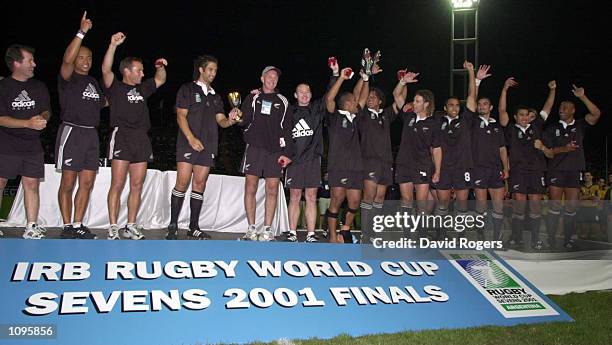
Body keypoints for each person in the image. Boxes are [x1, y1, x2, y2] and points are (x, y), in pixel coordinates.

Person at [165, 55, 239, 240]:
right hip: (188, 143)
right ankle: (173, 225)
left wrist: (231, 119)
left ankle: (193, 227)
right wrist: (190, 138)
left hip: (208, 145)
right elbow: (181, 116)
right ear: (201, 69)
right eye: (211, 69)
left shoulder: (215, 96)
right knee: (182, 182)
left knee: (199, 184)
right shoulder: (187, 89)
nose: (214, 73)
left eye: (215, 70)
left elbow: (221, 121)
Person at [102, 32, 167, 240]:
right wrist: (112, 45)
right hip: (122, 136)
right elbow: (105, 69)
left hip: (141, 138)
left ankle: (131, 225)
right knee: (118, 184)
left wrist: (160, 66)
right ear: (127, 71)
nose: (142, 74)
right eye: (138, 70)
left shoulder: (143, 88)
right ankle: (113, 226)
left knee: (137, 185)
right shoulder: (115, 87)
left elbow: (160, 79)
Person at [55, 12, 103, 240]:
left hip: (91, 135)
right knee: (69, 181)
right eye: (82, 57)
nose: (86, 61)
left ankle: (78, 223)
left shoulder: (93, 82)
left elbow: (106, 102)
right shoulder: (68, 76)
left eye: (89, 58)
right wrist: (81, 32)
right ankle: (66, 226)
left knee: (87, 182)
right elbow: (66, 60)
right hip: (72, 131)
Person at [498, 79, 556, 249]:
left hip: (536, 172)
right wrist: (505, 89)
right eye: (521, 115)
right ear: (515, 117)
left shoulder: (537, 126)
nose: (524, 117)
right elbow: (502, 109)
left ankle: (536, 239)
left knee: (535, 207)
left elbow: (547, 108)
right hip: (517, 172)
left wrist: (552, 90)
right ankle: (517, 239)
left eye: (526, 115)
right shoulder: (510, 129)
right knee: (519, 208)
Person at [0, 44, 50, 239]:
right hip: (5, 144)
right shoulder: (3, 87)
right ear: (16, 63)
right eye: (30, 61)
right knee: (1, 182)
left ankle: (31, 226)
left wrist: (42, 116)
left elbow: (47, 109)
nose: (34, 64)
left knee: (32, 184)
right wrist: (27, 123)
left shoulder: (39, 86)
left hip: (32, 146)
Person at [283, 60, 337, 243]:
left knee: (311, 196)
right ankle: (292, 232)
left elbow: (330, 94)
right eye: (301, 92)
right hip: (294, 161)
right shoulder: (289, 112)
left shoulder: (316, 109)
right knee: (295, 196)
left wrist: (335, 74)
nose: (305, 95)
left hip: (313, 160)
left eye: (307, 92)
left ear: (311, 94)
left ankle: (311, 233)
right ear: (295, 95)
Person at [543, 84, 601, 249]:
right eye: (561, 107)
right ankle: (551, 239)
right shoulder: (552, 128)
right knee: (554, 206)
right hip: (555, 171)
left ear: (573, 110)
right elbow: (547, 152)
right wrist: (563, 149)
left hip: (573, 171)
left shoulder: (580, 125)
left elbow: (596, 114)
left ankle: (568, 239)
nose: (562, 109)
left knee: (571, 207)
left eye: (566, 107)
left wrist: (582, 96)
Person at [239, 66, 293, 241]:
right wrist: (236, 115)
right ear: (262, 79)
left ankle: (267, 230)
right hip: (254, 148)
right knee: (250, 187)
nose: (272, 79)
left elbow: (287, 129)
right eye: (269, 76)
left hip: (275, 152)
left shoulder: (283, 101)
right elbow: (243, 120)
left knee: (272, 189)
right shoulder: (253, 97)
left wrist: (288, 153)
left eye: (275, 77)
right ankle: (251, 229)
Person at [433, 61, 483, 239]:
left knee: (462, 203)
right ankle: (441, 234)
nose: (455, 107)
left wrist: (471, 72)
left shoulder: (466, 120)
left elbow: (471, 97)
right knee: (443, 203)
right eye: (451, 105)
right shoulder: (438, 122)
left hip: (463, 167)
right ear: (445, 108)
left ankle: (461, 235)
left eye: (457, 105)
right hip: (444, 168)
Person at [392, 72, 442, 238]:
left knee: (421, 202)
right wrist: (403, 81)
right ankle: (407, 233)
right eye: (414, 100)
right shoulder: (408, 116)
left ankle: (422, 232)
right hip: (404, 164)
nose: (414, 103)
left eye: (418, 101)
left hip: (422, 165)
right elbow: (396, 95)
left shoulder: (434, 123)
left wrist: (438, 171)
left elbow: (436, 149)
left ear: (426, 104)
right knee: (406, 200)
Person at [356, 62, 401, 243]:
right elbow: (359, 95)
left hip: (386, 163)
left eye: (374, 97)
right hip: (369, 161)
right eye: (369, 97)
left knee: (380, 198)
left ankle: (374, 231)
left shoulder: (385, 115)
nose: (370, 99)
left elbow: (399, 101)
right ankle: (365, 234)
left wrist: (403, 83)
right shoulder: (363, 115)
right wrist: (366, 76)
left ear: (380, 101)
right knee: (368, 196)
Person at [324, 66, 368, 243]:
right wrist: (342, 78)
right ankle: (333, 236)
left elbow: (363, 96)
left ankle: (344, 230)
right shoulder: (334, 117)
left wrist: (365, 77)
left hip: (356, 167)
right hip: (339, 167)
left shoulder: (355, 118)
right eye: (354, 101)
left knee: (355, 202)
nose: (358, 103)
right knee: (337, 199)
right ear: (348, 104)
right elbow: (330, 98)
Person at [469, 66, 509, 241]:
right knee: (481, 204)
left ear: (491, 107)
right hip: (478, 168)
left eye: (484, 104)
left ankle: (497, 236)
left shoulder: (496, 126)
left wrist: (506, 168)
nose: (481, 106)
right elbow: (471, 98)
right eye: (479, 104)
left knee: (498, 205)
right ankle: (480, 236)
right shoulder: (472, 122)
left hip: (495, 170)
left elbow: (502, 148)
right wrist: (477, 81)